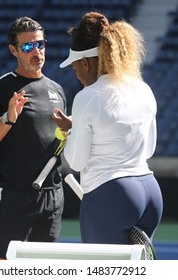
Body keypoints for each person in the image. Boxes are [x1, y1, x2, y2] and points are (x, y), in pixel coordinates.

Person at [53, 12, 163, 245]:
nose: (76, 75)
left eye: (74, 68)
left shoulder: (87, 97)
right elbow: (148, 150)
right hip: (150, 194)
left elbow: (76, 162)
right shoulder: (142, 88)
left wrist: (69, 132)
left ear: (86, 62)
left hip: (111, 198)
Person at [0, 16, 67, 259]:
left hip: (53, 194)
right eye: (27, 46)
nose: (36, 51)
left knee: (43, 269)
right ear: (13, 50)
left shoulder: (57, 89)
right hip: (14, 195)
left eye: (40, 44)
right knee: (6, 267)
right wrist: (8, 117)